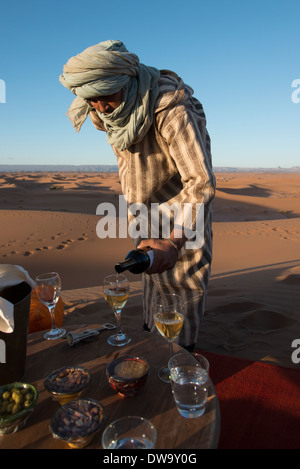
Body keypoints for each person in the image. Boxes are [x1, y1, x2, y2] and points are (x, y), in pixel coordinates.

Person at [59, 40, 215, 351]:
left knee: (179, 298)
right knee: (151, 288)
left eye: (107, 98)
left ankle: (176, 372)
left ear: (127, 83)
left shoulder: (170, 110)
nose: (102, 109)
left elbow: (200, 183)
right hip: (144, 217)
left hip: (181, 222)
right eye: (92, 101)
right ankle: (152, 350)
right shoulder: (104, 108)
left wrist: (173, 242)